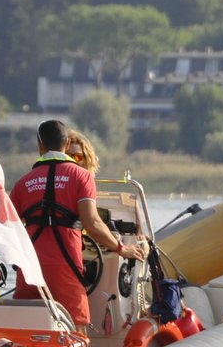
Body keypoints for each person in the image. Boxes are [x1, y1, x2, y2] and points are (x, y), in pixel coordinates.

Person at [10, 120, 142, 328]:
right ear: (68, 141)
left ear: (40, 145)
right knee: (76, 334)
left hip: (30, 270)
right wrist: (121, 248)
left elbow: (9, 229)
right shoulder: (82, 176)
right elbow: (93, 223)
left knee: (29, 332)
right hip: (66, 268)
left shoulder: (22, 183)